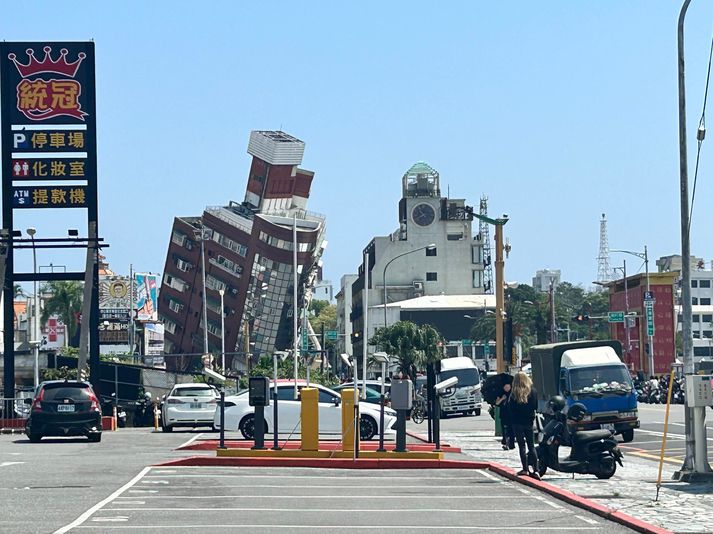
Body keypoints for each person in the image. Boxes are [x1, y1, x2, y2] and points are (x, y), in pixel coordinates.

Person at [508, 371, 539, 479]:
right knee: (531, 446)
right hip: (529, 422)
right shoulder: (533, 392)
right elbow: (535, 406)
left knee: (522, 445)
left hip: (517, 422)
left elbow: (510, 409)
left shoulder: (513, 394)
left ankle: (525, 469)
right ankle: (536, 470)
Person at [495, 383, 514, 450]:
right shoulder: (501, 393)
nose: (506, 388)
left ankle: (511, 444)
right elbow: (497, 403)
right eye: (505, 387)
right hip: (503, 414)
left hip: (511, 414)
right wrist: (502, 398)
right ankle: (506, 443)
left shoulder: (513, 393)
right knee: (504, 430)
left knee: (511, 430)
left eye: (507, 387)